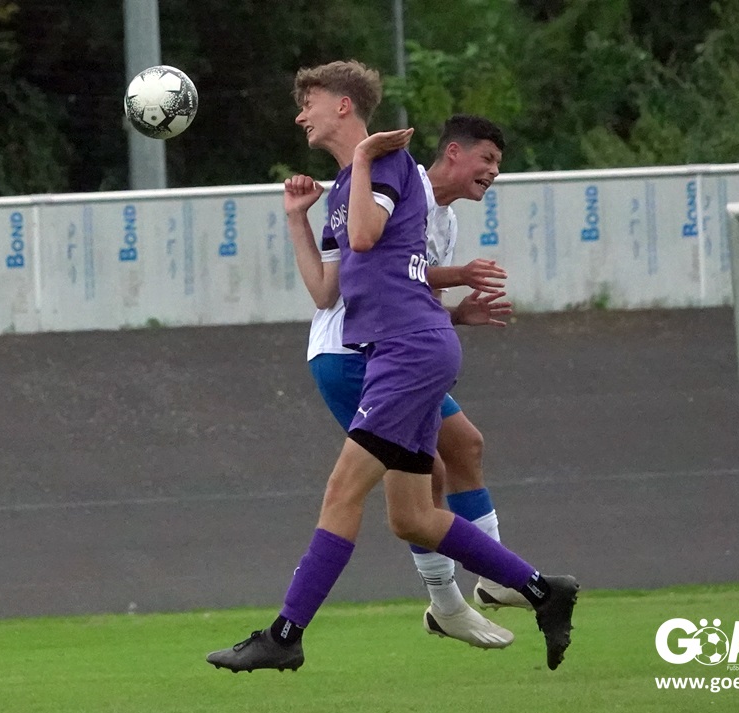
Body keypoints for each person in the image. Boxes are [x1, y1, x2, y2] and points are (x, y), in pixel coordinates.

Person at [206, 59, 578, 674]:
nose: (300, 116)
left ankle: (285, 634)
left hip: (408, 352)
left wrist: (361, 161)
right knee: (413, 515)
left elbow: (365, 237)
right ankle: (543, 591)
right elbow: (326, 290)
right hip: (400, 350)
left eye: (309, 103)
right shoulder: (347, 185)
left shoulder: (384, 163)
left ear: (343, 106)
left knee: (344, 492)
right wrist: (296, 219)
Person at [293, 114, 532, 650]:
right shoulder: (398, 180)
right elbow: (372, 265)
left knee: (463, 447)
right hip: (356, 351)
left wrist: (456, 314)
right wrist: (458, 276)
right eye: (488, 159)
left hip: (397, 348)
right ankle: (456, 598)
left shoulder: (446, 220)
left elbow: (413, 295)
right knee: (417, 481)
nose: (494, 172)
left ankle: (484, 583)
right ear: (454, 152)